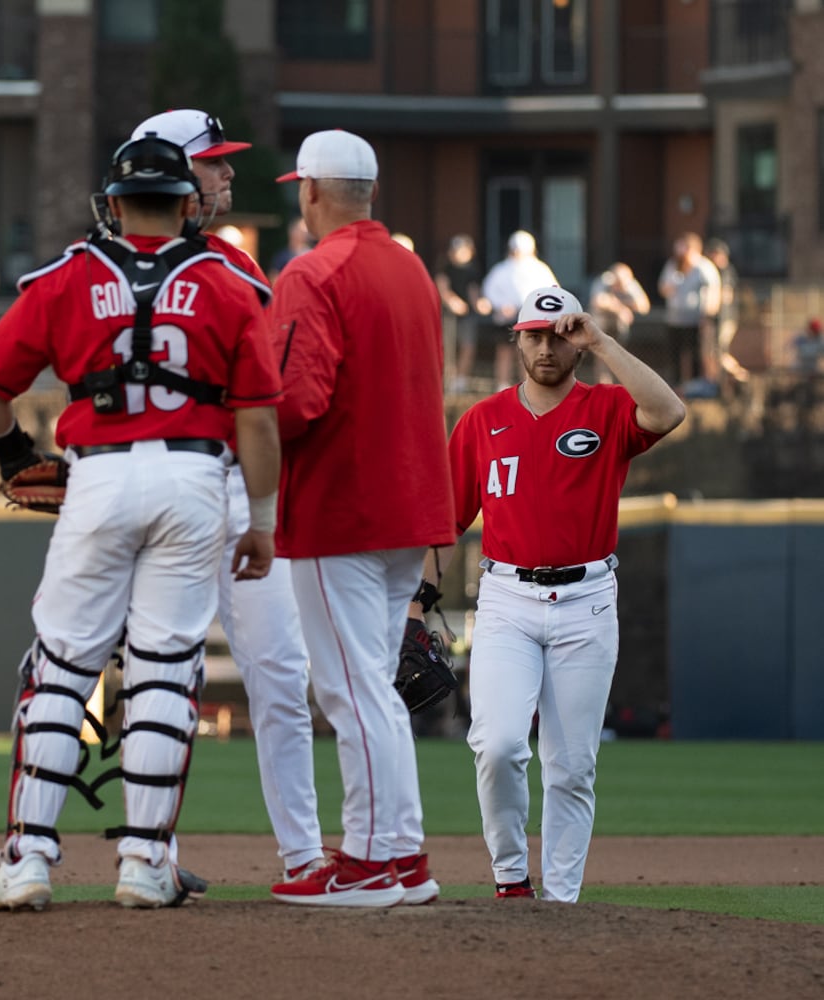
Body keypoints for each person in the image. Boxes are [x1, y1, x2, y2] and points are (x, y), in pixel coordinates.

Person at [0, 135, 281, 911]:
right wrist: (263, 520)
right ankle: (145, 861)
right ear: (185, 204)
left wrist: (13, 457)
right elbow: (261, 424)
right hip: (196, 475)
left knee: (63, 666)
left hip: (99, 477)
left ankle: (28, 858)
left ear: (110, 204)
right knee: (167, 669)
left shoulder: (69, 276)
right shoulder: (228, 280)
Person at [413, 285, 685, 902]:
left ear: (576, 343)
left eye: (557, 335)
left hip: (587, 600)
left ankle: (562, 900)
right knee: (499, 744)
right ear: (516, 340)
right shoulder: (483, 421)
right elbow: (444, 523)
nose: (544, 346)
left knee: (572, 766)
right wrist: (418, 602)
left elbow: (668, 412)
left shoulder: (609, 408)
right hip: (507, 599)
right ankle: (511, 877)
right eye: (532, 334)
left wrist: (603, 339)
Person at [130, 107, 323, 882]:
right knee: (158, 674)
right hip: (157, 491)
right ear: (169, 171)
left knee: (280, 672)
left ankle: (304, 854)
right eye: (212, 162)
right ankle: (150, 852)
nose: (227, 174)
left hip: (232, 492)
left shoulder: (236, 267)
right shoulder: (109, 265)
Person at [267, 129, 454, 908]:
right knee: (371, 683)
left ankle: (375, 860)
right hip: (411, 503)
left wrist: (233, 417)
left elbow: (295, 404)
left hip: (343, 505)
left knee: (352, 689)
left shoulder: (312, 273)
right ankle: (402, 855)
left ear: (310, 191)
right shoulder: (412, 268)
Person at [481, 230, 558, 389]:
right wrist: (501, 305)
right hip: (507, 319)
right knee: (505, 351)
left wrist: (537, 309)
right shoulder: (501, 269)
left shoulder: (540, 269)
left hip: (531, 319)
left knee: (528, 352)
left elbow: (553, 292)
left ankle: (528, 386)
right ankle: (502, 385)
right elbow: (489, 291)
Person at [657, 232, 721, 390]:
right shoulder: (672, 266)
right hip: (675, 319)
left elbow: (713, 293)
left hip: (696, 321)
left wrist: (707, 317)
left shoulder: (704, 268)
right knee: (675, 354)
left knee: (696, 355)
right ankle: (676, 386)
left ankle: (696, 387)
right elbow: (662, 288)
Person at [435, 234, 488, 390]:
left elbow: (474, 292)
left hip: (467, 316)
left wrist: (479, 303)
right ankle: (447, 380)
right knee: (447, 347)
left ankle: (461, 380)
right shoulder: (445, 268)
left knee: (468, 345)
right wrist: (451, 300)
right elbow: (442, 288)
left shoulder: (473, 271)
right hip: (448, 316)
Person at [587, 263, 651, 384]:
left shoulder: (630, 283)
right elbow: (598, 301)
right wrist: (621, 309)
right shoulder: (604, 281)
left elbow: (644, 306)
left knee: (619, 357)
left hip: (619, 328)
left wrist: (622, 303)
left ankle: (619, 389)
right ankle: (604, 387)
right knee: (602, 357)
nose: (621, 286)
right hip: (601, 324)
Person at [705, 238, 745, 384]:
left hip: (726, 318)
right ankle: (718, 380)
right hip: (719, 319)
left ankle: (741, 376)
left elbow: (726, 297)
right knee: (715, 352)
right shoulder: (715, 271)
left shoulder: (726, 272)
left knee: (719, 351)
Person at [269, 216, 312, 282]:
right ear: (291, 231)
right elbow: (274, 278)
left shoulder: (311, 255)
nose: (303, 234)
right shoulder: (282, 256)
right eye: (299, 230)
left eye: (305, 231)